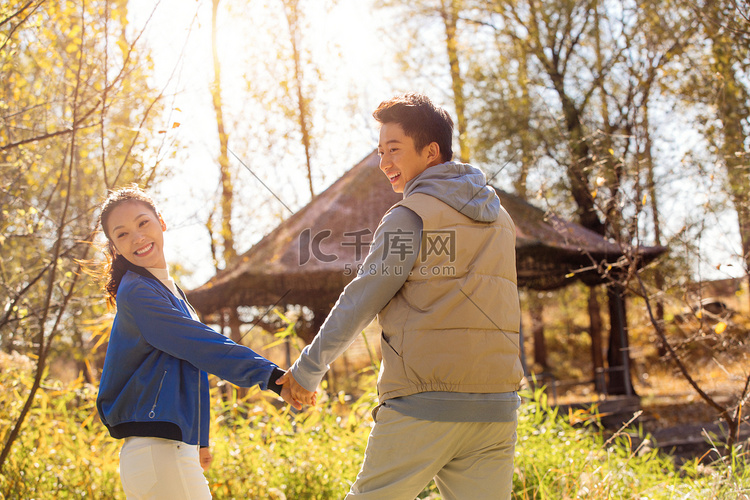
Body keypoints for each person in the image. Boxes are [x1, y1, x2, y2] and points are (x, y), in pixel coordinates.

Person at [278, 93, 524, 499]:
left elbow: (362, 299)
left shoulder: (412, 215)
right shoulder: (501, 219)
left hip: (424, 404)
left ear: (431, 152)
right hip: (496, 407)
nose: (383, 163)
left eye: (394, 150)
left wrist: (307, 370)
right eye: (380, 151)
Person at [95, 186, 298, 500]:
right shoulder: (137, 292)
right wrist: (272, 377)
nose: (137, 237)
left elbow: (192, 365)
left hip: (169, 451)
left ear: (161, 221)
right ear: (115, 247)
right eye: (122, 235)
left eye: (143, 223)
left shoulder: (169, 290)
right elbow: (202, 346)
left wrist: (200, 440)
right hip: (159, 451)